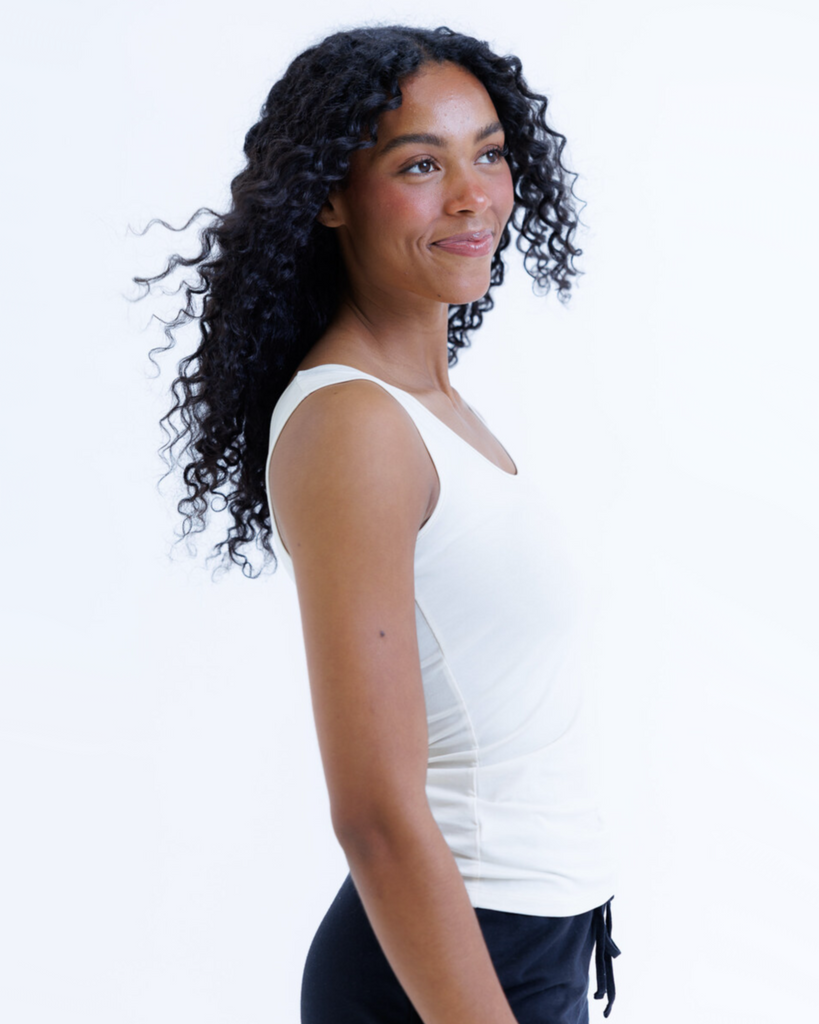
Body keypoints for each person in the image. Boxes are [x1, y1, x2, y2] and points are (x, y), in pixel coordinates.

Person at [133, 24, 622, 1024]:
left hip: (527, 942)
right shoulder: (353, 424)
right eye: (419, 165)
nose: (473, 195)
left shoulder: (433, 409)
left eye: (488, 152)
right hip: (450, 970)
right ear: (329, 195)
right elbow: (375, 815)